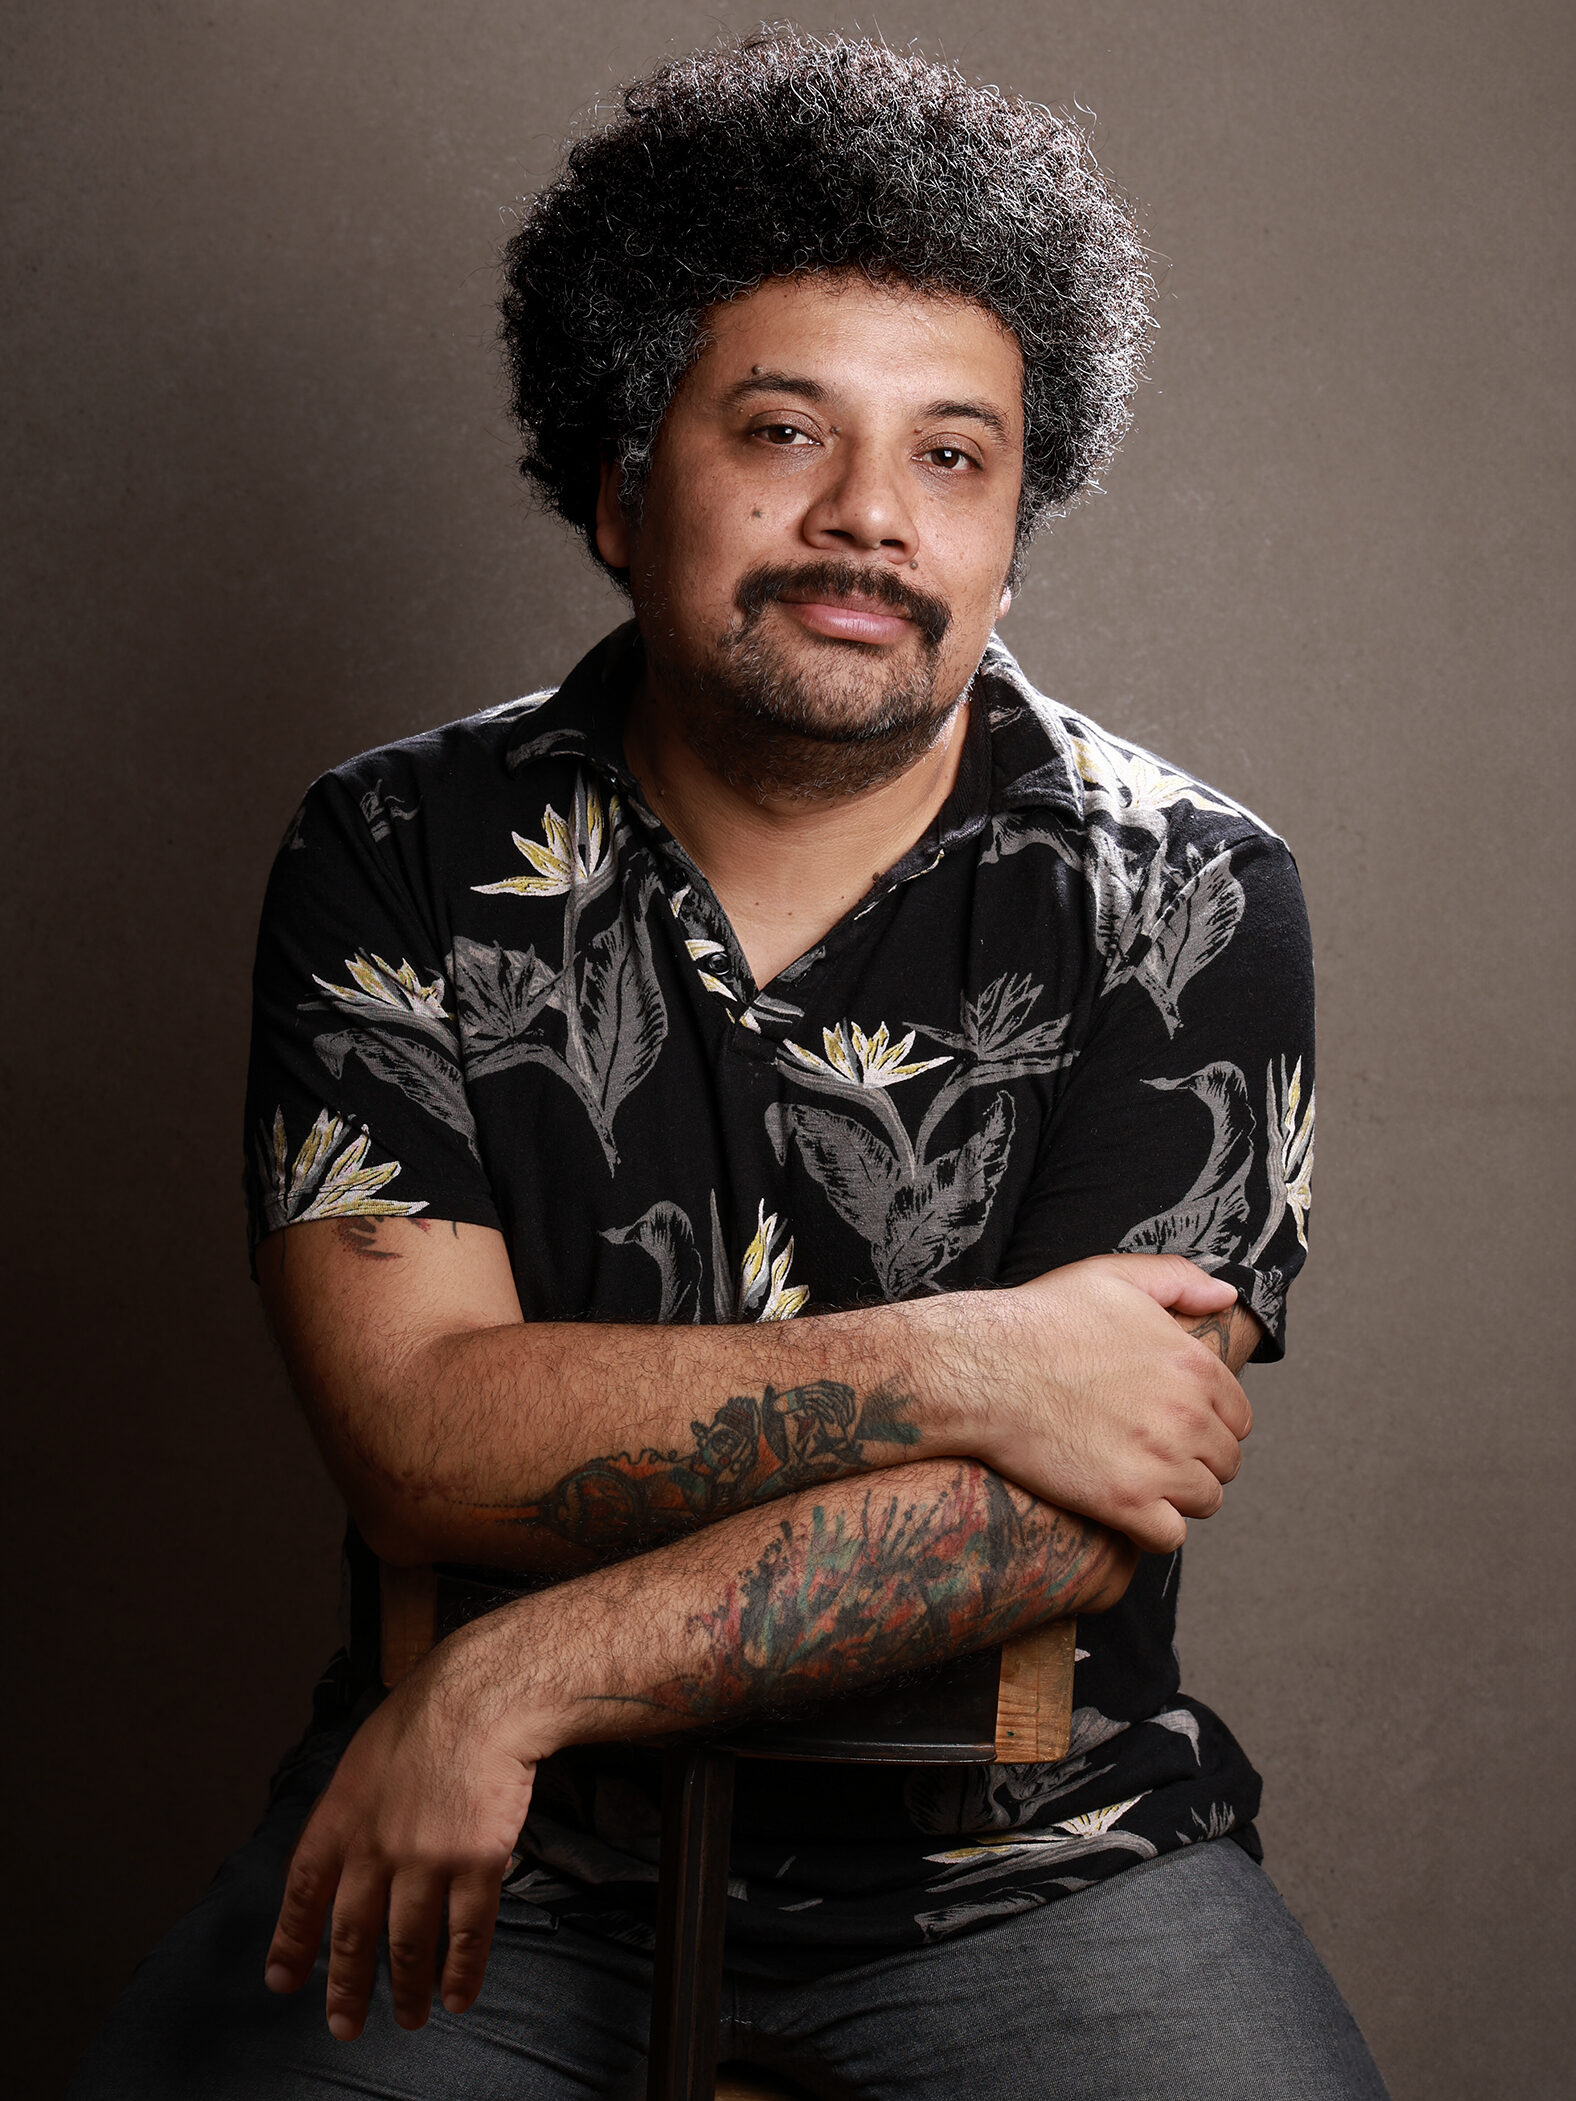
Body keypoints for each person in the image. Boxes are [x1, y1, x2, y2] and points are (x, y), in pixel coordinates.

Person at [70, 31, 1384, 2100]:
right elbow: (418, 1433)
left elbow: (1070, 1515)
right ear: (621, 490)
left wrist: (521, 1670)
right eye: (782, 431)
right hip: (486, 1864)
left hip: (1028, 1860)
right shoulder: (392, 849)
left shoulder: (1192, 889)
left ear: (1013, 534)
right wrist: (980, 1360)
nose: (867, 518)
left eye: (951, 459)